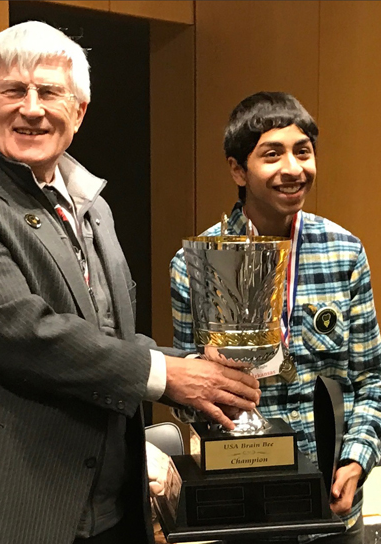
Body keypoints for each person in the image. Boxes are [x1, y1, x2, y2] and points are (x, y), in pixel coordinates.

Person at [0, 22, 261, 544]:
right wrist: (168, 377)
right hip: (3, 503)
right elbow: (22, 332)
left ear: (78, 111)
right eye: (12, 90)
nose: (32, 108)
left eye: (51, 92)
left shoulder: (92, 206)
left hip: (107, 510)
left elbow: (105, 335)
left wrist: (194, 373)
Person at [170, 91, 381, 543]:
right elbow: (186, 395)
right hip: (242, 512)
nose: (293, 169)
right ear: (237, 169)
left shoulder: (344, 252)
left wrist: (357, 458)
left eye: (303, 152)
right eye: (272, 154)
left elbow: (371, 379)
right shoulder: (196, 264)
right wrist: (205, 373)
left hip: (329, 510)